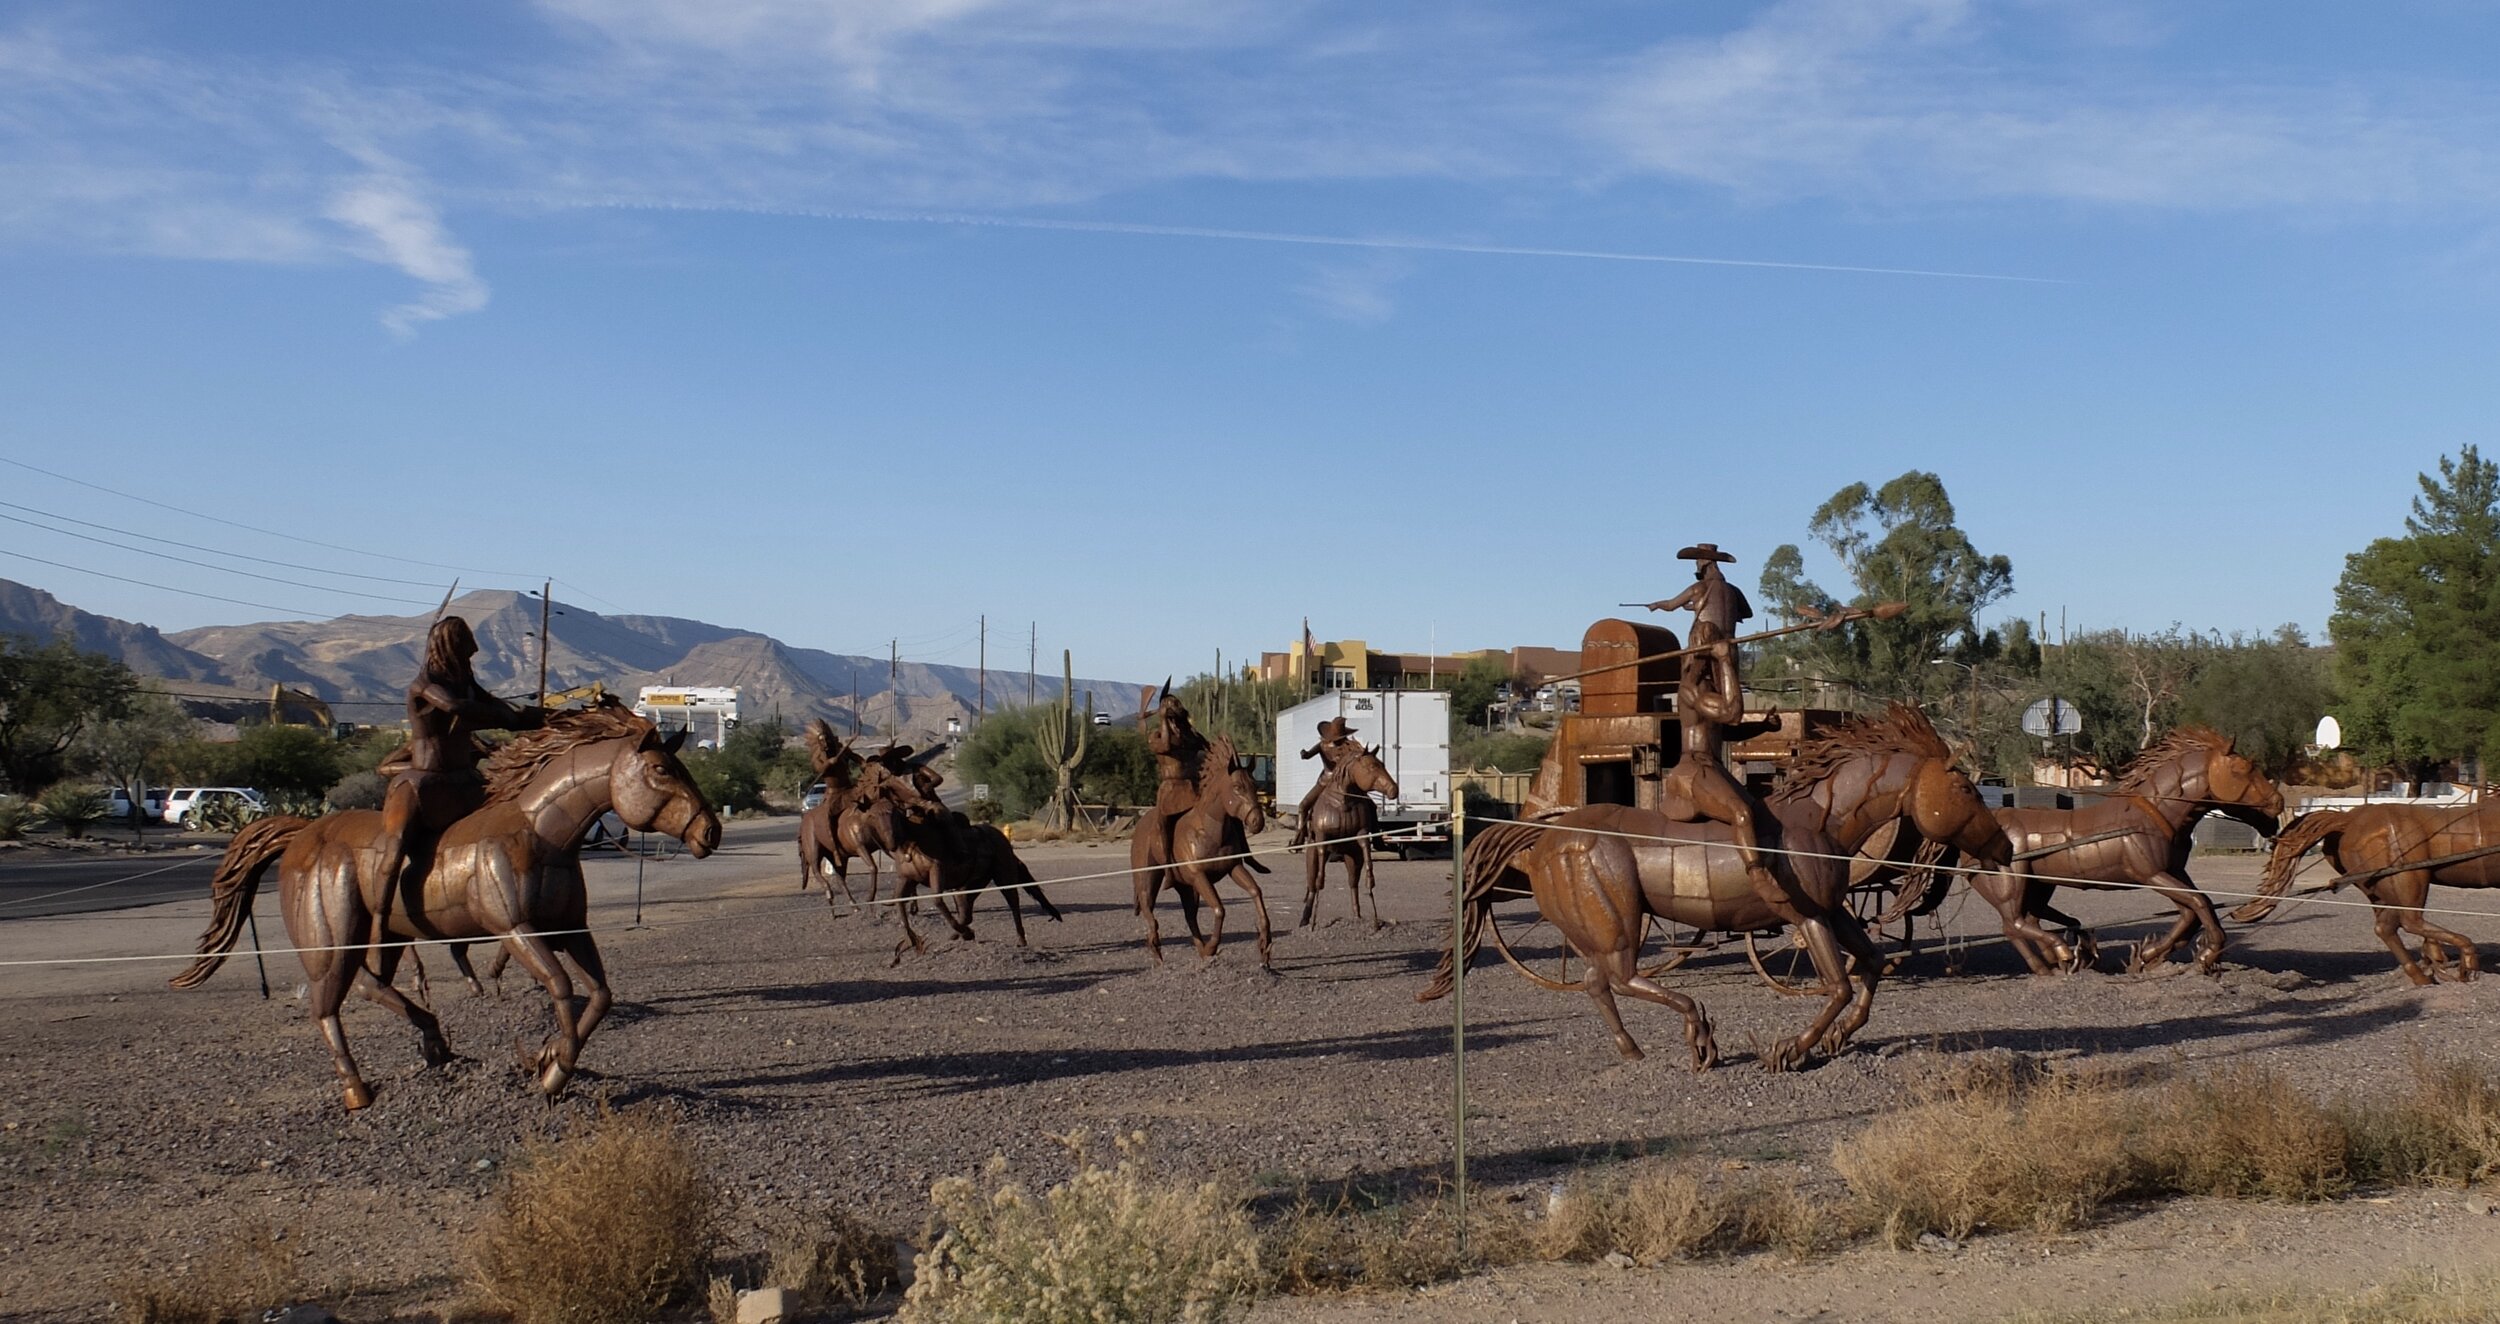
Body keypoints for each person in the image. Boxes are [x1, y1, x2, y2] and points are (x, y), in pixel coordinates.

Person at [1644, 543, 1825, 926]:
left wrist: (1764, 727)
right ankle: (1758, 878)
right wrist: (1728, 664)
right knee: (1742, 813)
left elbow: (1729, 728)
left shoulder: (1706, 670)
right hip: (1693, 771)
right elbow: (1730, 710)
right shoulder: (1692, 689)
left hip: (1713, 765)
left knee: (1763, 812)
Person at [365, 616, 543, 973]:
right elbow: (456, 708)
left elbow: (500, 709)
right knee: (395, 844)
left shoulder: (466, 683)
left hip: (464, 780)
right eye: (467, 642)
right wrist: (500, 715)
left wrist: (542, 717)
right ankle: (376, 925)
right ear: (450, 644)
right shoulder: (425, 684)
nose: (474, 649)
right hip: (423, 783)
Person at [1292, 716, 1363, 846]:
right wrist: (1305, 754)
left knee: (1370, 806)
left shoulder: (1346, 746)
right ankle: (1300, 835)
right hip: (1327, 781)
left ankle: (1375, 836)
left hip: (1336, 781)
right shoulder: (1327, 745)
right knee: (1303, 805)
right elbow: (1308, 755)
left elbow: (1307, 756)